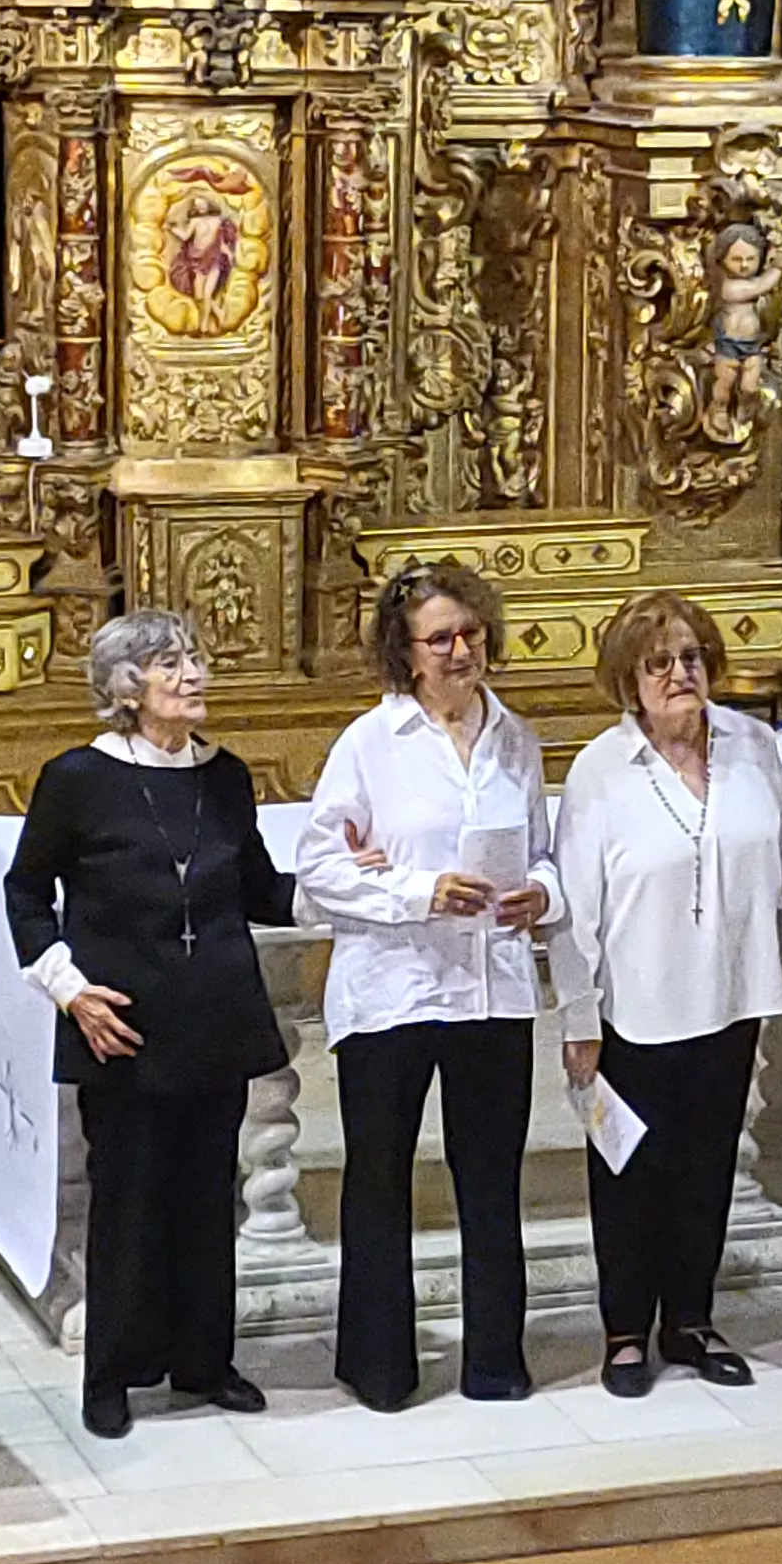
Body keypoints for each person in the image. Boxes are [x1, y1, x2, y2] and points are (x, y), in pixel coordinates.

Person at [3, 611, 296, 1440]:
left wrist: (354, 881)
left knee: (209, 1198)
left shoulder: (227, 776)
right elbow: (27, 892)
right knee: (128, 1201)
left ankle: (204, 1361)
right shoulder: (77, 779)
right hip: (121, 1025)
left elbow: (260, 890)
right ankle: (114, 1374)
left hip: (215, 1019)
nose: (195, 674)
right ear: (127, 687)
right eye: (171, 664)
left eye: (195, 659)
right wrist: (70, 991)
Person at [299, 561, 560, 1410]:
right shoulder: (371, 744)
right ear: (404, 654)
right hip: (395, 989)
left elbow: (546, 850)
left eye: (471, 634)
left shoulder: (516, 739)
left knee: (491, 1176)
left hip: (492, 987)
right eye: (440, 639)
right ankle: (379, 1366)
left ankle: (495, 1360)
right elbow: (319, 865)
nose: (460, 651)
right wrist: (419, 892)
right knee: (380, 1177)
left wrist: (541, 892)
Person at [553, 593, 782, 1400]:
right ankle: (626, 1332)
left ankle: (690, 1322)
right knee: (630, 1172)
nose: (679, 674)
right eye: (659, 663)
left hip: (731, 994)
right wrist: (577, 1016)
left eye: (692, 657)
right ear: (629, 681)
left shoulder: (751, 745)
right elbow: (573, 908)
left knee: (708, 1168)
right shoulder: (601, 768)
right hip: (634, 1007)